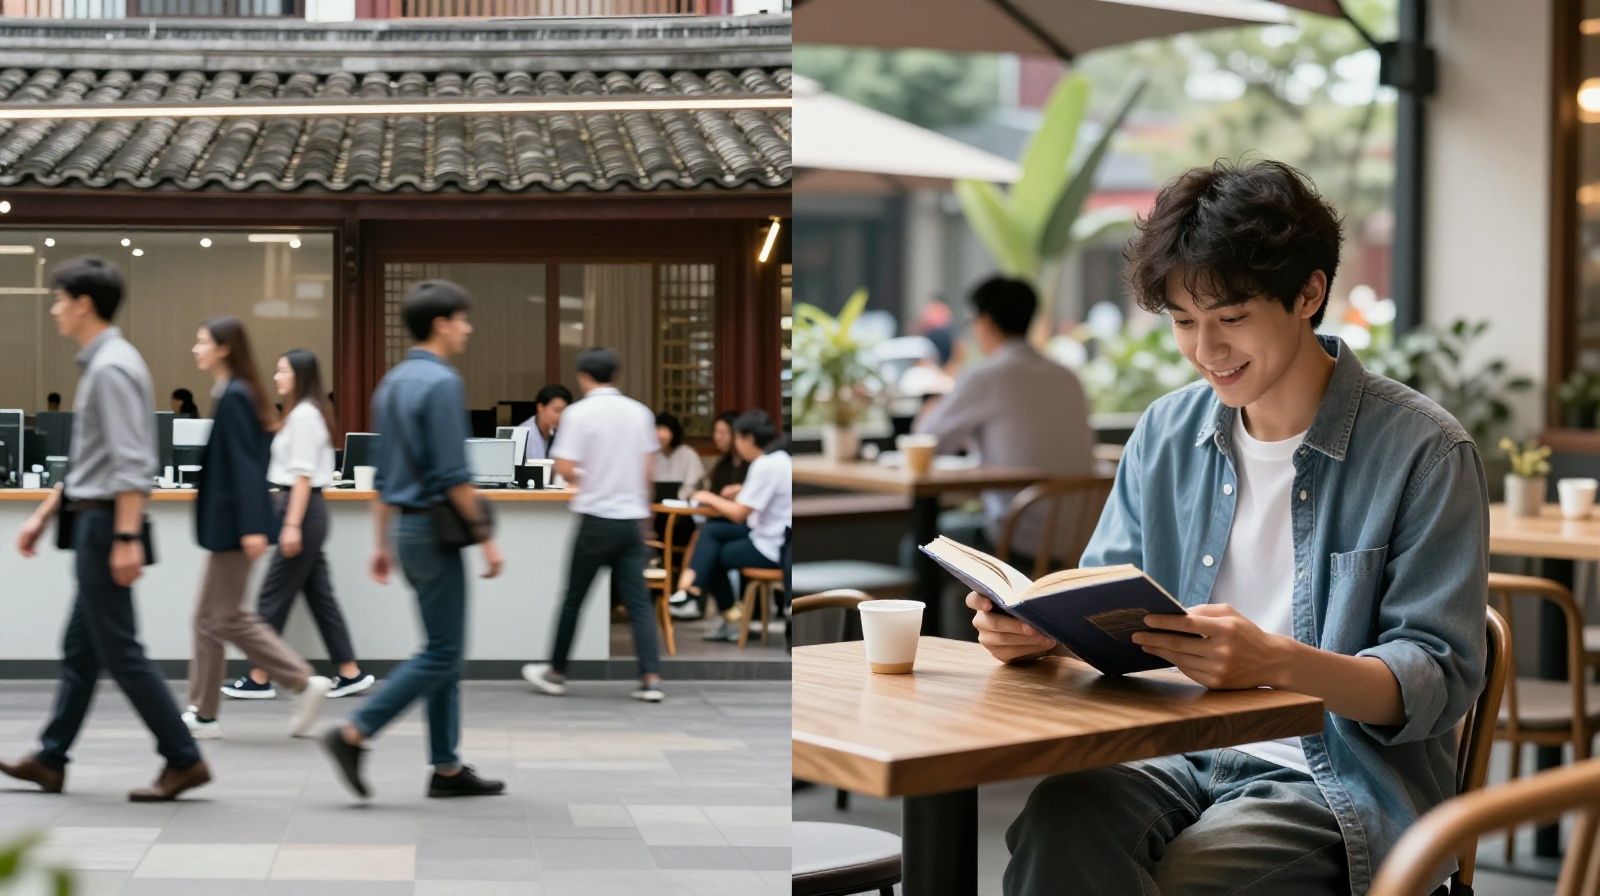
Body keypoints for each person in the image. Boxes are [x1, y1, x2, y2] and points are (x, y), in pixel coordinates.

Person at [978, 160, 1489, 896]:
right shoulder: (1165, 432)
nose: (1205, 351)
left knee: (1197, 877)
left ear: (1309, 293)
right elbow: (1099, 594)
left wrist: (1276, 661)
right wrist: (1042, 632)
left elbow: (1434, 679)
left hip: (1331, 778)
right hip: (1169, 749)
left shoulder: (1424, 451)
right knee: (1060, 821)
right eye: (1184, 321)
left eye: (1231, 318)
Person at [1, 256, 210, 801]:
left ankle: (183, 758)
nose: (53, 310)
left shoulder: (113, 367)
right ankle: (51, 758)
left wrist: (124, 538)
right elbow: (90, 460)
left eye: (59, 299)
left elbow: (131, 463)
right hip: (91, 521)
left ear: (83, 303)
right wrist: (45, 515)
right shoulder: (104, 364)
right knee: (81, 649)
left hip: (104, 529)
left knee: (121, 652)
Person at [320, 279, 505, 801]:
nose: (468, 328)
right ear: (442, 323)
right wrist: (488, 538)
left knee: (441, 648)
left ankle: (446, 768)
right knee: (443, 652)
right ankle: (354, 733)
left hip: (405, 527)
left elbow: (381, 476)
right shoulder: (442, 383)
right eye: (463, 318)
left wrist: (381, 542)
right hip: (436, 527)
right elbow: (454, 476)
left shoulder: (392, 384)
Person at [182, 317, 332, 740]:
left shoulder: (236, 395)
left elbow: (245, 466)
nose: (196, 349)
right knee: (207, 618)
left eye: (201, 341)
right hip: (229, 526)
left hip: (235, 527)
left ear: (224, 348)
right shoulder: (230, 392)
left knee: (226, 617)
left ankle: (300, 680)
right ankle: (203, 709)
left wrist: (251, 526)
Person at [223, 349, 374, 702]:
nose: (276, 377)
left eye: (282, 371)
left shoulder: (305, 416)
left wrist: (291, 525)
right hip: (302, 509)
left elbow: (303, 476)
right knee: (320, 597)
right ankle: (349, 671)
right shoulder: (301, 414)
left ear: (300, 376)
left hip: (300, 509)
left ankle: (259, 676)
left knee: (272, 597)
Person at [912, 277, 1095, 567]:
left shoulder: (987, 375)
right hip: (1079, 542)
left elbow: (925, 441)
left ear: (985, 322)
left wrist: (934, 404)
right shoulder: (1067, 377)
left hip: (1017, 541)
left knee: (915, 548)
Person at [521, 347, 664, 703]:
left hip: (595, 520)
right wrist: (646, 520)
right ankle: (651, 678)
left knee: (573, 600)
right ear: (615, 375)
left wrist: (591, 475)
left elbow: (564, 467)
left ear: (583, 376)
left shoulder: (578, 414)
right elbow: (648, 473)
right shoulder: (640, 413)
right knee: (639, 604)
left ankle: (556, 673)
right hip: (631, 521)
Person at [666, 410, 791, 640]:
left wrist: (708, 496)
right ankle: (693, 592)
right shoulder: (779, 460)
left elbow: (738, 513)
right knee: (711, 532)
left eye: (736, 437)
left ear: (748, 439)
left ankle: (714, 607)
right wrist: (740, 490)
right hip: (769, 535)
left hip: (772, 545)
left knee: (712, 554)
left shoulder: (764, 465)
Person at [653, 411, 704, 501]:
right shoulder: (651, 455)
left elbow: (693, 486)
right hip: (655, 508)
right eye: (657, 429)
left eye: (664, 429)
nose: (660, 435)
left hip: (682, 508)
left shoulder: (688, 455)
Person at [517, 384, 572, 462]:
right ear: (540, 407)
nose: (560, 416)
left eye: (564, 411)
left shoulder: (557, 431)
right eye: (557, 410)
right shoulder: (524, 434)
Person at [706, 410, 748, 498]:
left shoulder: (754, 462)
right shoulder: (722, 464)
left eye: (722, 433)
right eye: (715, 432)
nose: (717, 437)